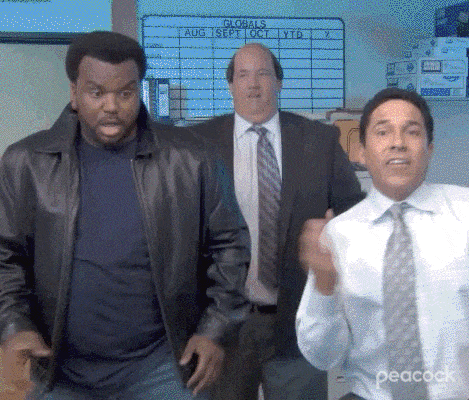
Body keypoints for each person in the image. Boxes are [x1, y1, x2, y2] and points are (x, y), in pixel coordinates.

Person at [0, 31, 251, 400]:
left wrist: (215, 330)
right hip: (60, 372)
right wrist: (13, 326)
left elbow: (230, 247)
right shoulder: (27, 163)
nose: (111, 106)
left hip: (162, 369)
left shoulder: (193, 158)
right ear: (74, 94)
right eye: (96, 93)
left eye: (125, 93)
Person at [190, 42, 364, 400]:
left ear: (279, 82)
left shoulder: (320, 140)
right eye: (243, 75)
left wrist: (333, 241)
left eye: (263, 74)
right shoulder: (199, 143)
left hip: (298, 323)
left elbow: (353, 212)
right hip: (223, 327)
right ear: (230, 85)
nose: (253, 85)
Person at [296, 87, 469, 400]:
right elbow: (323, 356)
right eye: (383, 132)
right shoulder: (338, 236)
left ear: (429, 149)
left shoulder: (465, 214)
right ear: (361, 152)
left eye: (412, 132)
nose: (397, 143)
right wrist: (324, 287)